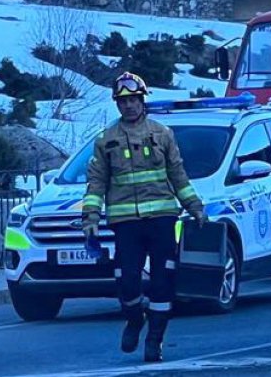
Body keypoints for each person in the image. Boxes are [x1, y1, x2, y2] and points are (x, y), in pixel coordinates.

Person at [82, 72, 206, 363]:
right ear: (117, 105)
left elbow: (178, 174)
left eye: (134, 100)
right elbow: (96, 181)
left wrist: (194, 206)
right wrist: (90, 217)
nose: (129, 106)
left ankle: (155, 339)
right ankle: (135, 320)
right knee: (126, 280)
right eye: (124, 101)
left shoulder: (162, 134)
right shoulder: (106, 140)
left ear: (142, 100)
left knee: (164, 282)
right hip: (126, 223)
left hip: (162, 218)